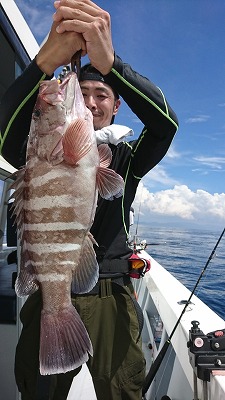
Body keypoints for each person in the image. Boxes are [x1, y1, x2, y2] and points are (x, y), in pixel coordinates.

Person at [0, 1, 178, 399]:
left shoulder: (128, 159)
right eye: (83, 92)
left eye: (103, 94)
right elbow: (5, 128)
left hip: (110, 294)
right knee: (38, 390)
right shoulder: (37, 148)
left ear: (117, 108)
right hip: (50, 291)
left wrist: (113, 64)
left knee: (121, 390)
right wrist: (45, 61)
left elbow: (165, 125)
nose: (93, 102)